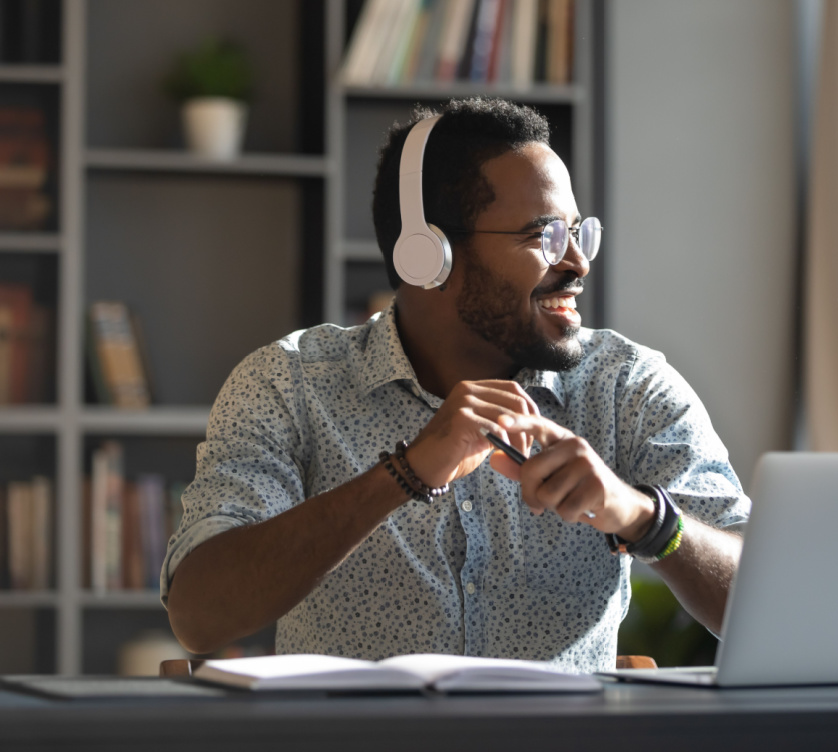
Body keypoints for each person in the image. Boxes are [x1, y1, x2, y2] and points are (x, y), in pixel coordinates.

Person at [161, 98, 750, 672]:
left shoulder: (627, 386)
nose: (577, 263)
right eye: (543, 235)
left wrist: (645, 518)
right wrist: (404, 474)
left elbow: (769, 595)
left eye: (578, 232)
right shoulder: (290, 383)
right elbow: (199, 614)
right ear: (429, 256)